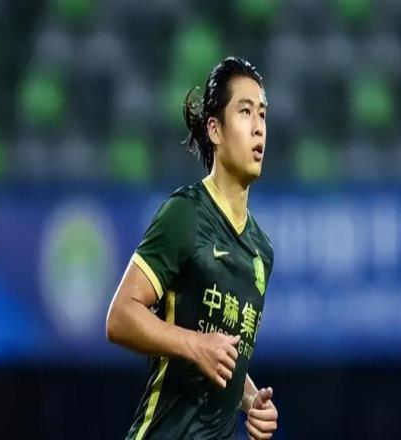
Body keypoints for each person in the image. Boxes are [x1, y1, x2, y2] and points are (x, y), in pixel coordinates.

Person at [106, 56, 278, 440]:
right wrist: (195, 345)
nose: (258, 127)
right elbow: (119, 317)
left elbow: (222, 350)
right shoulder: (185, 214)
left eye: (263, 115)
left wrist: (250, 400)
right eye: (245, 111)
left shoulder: (261, 251)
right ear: (215, 129)